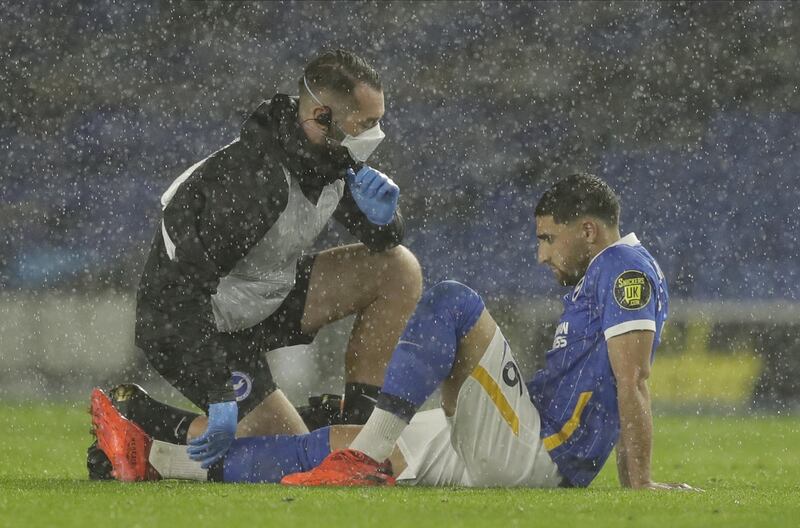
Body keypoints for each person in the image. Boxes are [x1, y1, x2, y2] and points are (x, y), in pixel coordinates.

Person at [91, 174, 697, 490]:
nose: (542, 256)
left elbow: (634, 381)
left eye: (548, 238)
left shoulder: (626, 273)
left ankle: (363, 450)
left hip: (540, 453)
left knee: (454, 301)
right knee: (342, 440)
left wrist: (637, 486)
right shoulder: (605, 274)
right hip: (522, 437)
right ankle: (157, 459)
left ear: (589, 230)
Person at [89, 48, 423, 475]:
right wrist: (218, 395)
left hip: (264, 298)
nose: (376, 135)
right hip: (195, 323)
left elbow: (381, 239)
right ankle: (143, 422)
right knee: (285, 452)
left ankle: (358, 429)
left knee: (397, 268)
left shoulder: (331, 155)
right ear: (321, 116)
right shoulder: (250, 183)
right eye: (367, 124)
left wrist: (387, 221)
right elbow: (177, 297)